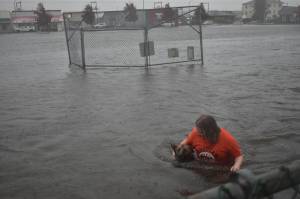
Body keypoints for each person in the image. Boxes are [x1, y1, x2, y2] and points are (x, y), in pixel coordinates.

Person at [177, 115, 243, 172]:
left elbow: (239, 156)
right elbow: (184, 143)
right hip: (200, 164)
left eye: (200, 131)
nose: (197, 132)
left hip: (221, 167)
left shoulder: (228, 139)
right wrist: (175, 153)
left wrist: (236, 166)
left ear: (210, 131)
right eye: (197, 129)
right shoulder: (195, 133)